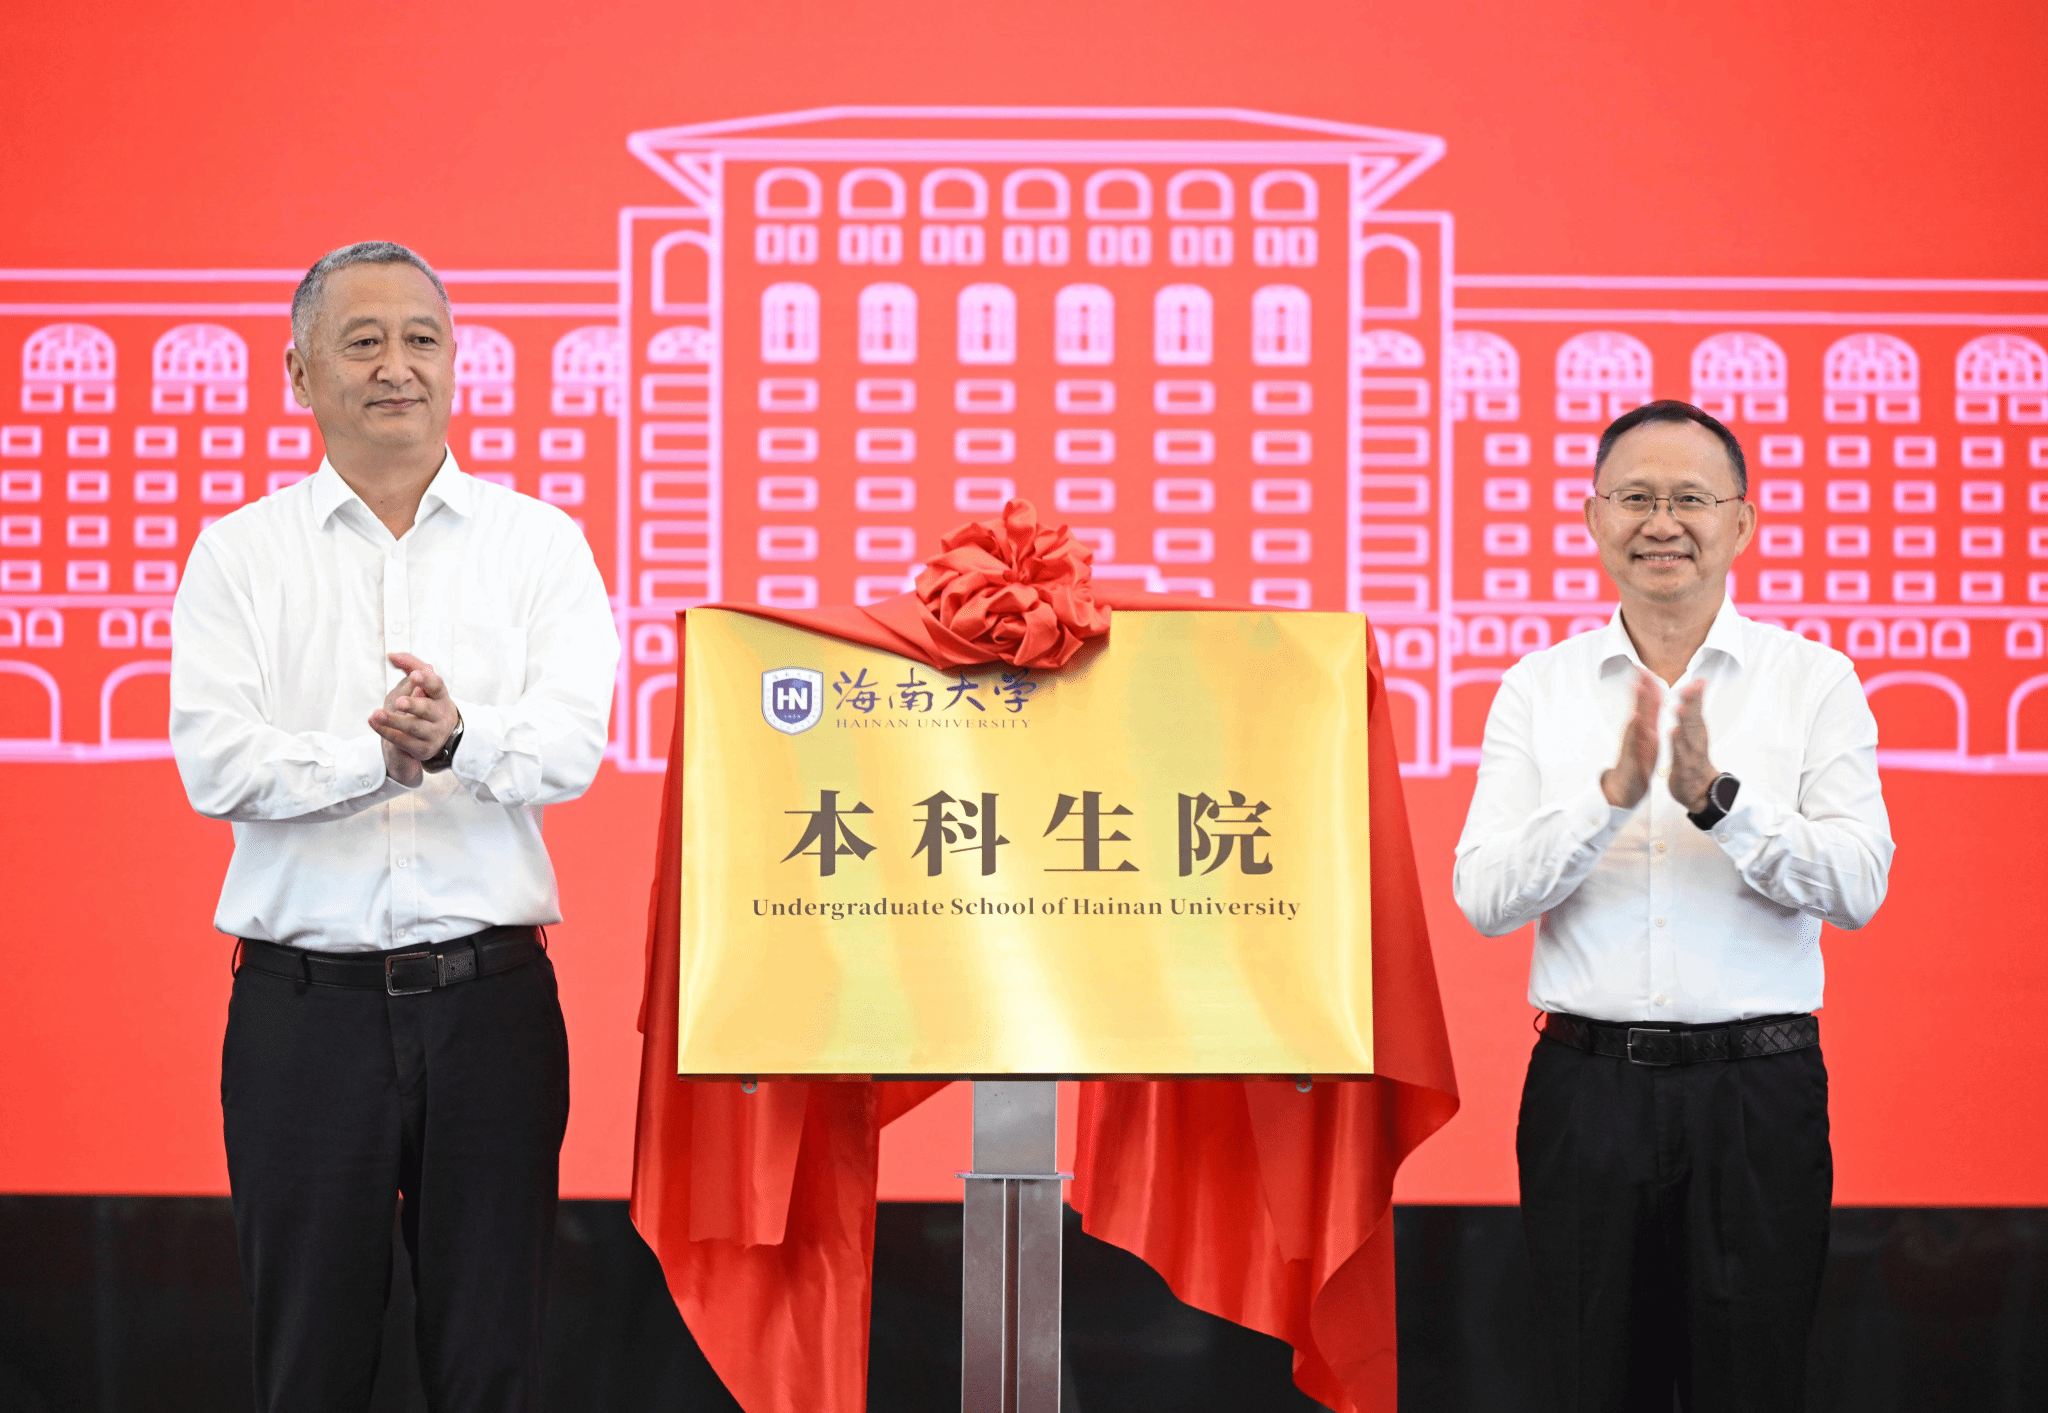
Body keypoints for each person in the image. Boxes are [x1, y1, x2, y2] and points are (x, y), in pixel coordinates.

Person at [169, 241, 619, 1412]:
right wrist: (375, 758)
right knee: (308, 1364)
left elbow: (571, 748)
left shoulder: (539, 543)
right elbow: (217, 765)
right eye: (361, 342)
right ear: (299, 373)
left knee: (491, 1361)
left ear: (455, 363)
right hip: (301, 1014)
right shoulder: (239, 555)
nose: (396, 367)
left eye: (421, 339)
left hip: (490, 1009)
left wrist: (458, 738)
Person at [1452, 400, 1894, 1412]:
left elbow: (1857, 886)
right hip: (1586, 1091)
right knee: (1589, 1382)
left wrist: (1718, 804)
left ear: (1741, 521)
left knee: (1752, 1383)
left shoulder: (1812, 680)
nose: (1662, 523)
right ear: (1591, 517)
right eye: (1635, 498)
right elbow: (1484, 897)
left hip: (1757, 1096)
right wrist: (1605, 802)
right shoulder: (1538, 687)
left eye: (1690, 498)